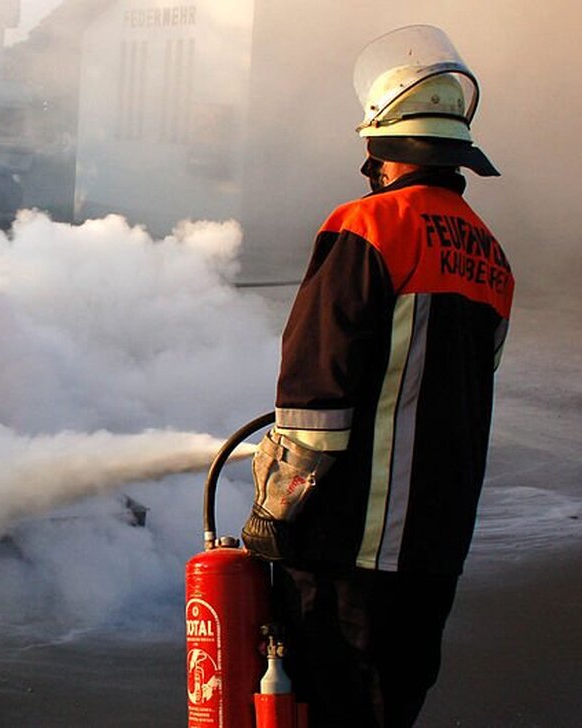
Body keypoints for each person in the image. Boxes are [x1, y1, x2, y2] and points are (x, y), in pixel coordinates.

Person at [240, 25, 515, 727]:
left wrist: (274, 508)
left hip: (349, 555)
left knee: (326, 710)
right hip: (435, 552)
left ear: (382, 148)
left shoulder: (369, 227)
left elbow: (314, 400)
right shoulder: (490, 257)